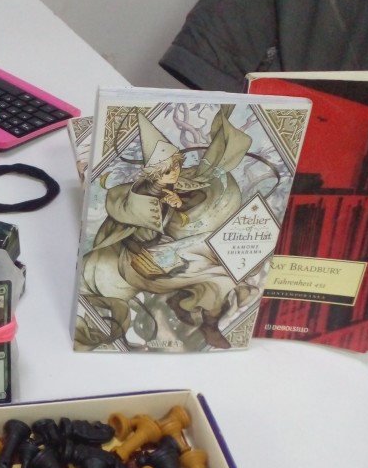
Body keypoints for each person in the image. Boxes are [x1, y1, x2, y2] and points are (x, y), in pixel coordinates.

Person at [78, 107, 257, 350]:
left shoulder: (170, 188)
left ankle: (189, 305)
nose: (176, 173)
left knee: (218, 263)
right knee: (219, 277)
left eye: (176, 167)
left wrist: (178, 205)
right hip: (140, 261)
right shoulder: (134, 200)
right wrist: (162, 208)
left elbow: (183, 211)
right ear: (156, 173)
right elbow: (132, 230)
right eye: (170, 170)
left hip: (165, 250)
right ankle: (206, 321)